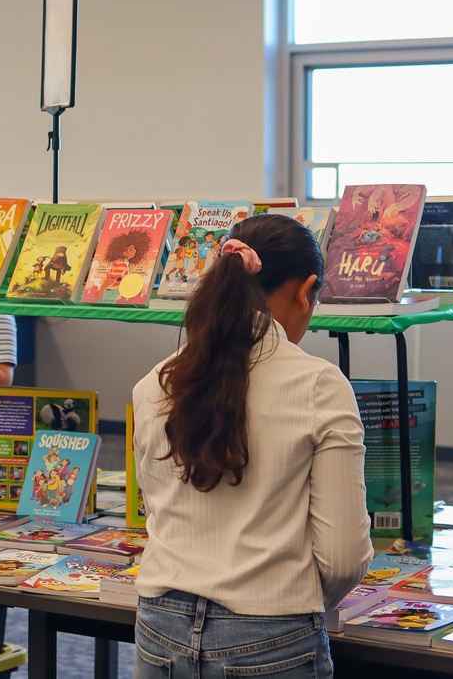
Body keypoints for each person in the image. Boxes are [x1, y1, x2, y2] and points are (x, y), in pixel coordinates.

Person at [132, 214, 373, 678]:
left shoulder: (154, 383)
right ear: (306, 291)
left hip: (159, 625)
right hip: (269, 636)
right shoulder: (320, 385)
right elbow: (344, 557)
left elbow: (155, 510)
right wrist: (292, 599)